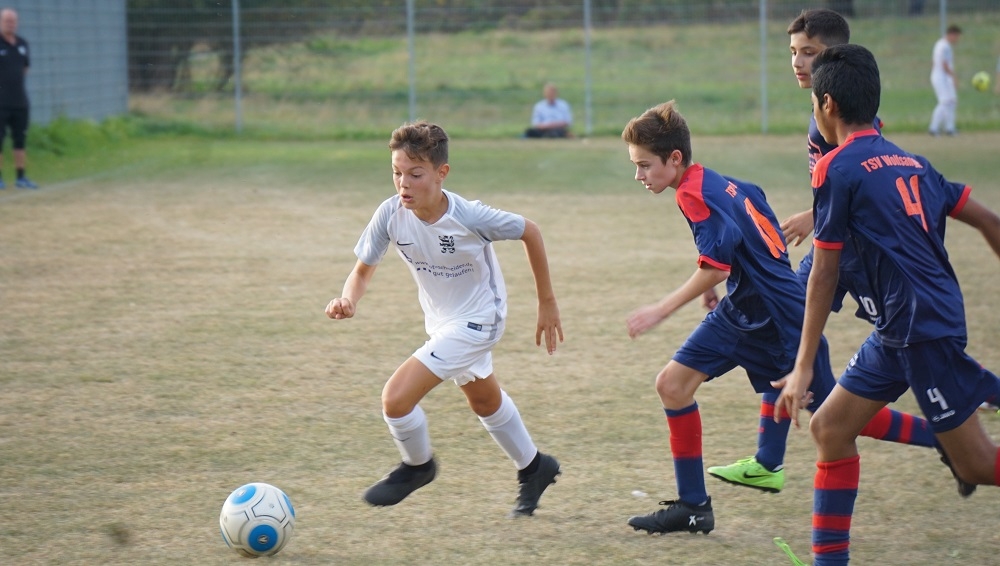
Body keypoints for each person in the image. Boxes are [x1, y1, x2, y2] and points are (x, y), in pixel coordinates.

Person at [620, 100, 937, 536]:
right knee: (672, 385)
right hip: (745, 311)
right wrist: (725, 275)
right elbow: (754, 206)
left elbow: (718, 265)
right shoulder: (717, 182)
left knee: (841, 415)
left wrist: (661, 308)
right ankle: (694, 507)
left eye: (644, 165)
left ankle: (945, 437)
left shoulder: (692, 194)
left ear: (674, 159)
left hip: (781, 320)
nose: (638, 175)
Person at [706, 8, 957, 497]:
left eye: (811, 53)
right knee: (798, 345)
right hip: (841, 244)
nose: (799, 62)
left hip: (849, 253)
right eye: (794, 53)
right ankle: (769, 459)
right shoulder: (820, 111)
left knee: (850, 374)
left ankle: (945, 428)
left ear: (836, 56)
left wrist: (813, 216)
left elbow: (868, 172)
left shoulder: (836, 114)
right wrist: (816, 213)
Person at [774, 43, 1000, 565]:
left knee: (976, 465)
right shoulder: (913, 162)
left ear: (827, 105)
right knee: (830, 429)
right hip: (900, 327)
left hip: (922, 330)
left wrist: (803, 365)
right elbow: (989, 219)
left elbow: (824, 271)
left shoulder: (835, 167)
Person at [325, 120, 564, 517]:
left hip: (479, 320)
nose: (404, 184)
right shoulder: (390, 214)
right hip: (441, 323)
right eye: (397, 173)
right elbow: (362, 272)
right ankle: (535, 467)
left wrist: (547, 301)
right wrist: (348, 299)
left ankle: (418, 466)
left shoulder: (469, 216)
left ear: (441, 173)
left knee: (396, 399)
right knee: (484, 400)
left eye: (415, 174)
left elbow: (531, 231)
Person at [0, 8, 36, 189]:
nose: (10, 24)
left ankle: (21, 177)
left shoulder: (23, 44)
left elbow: (25, 69)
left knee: (20, 140)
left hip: (20, 102)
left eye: (13, 21)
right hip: (1, 103)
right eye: (7, 21)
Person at [929, 24, 961, 137]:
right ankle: (933, 128)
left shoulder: (939, 44)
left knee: (952, 101)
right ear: (952, 34)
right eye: (957, 37)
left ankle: (950, 128)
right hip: (941, 77)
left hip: (941, 76)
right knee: (945, 102)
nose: (957, 40)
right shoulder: (945, 46)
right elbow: (945, 64)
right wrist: (954, 77)